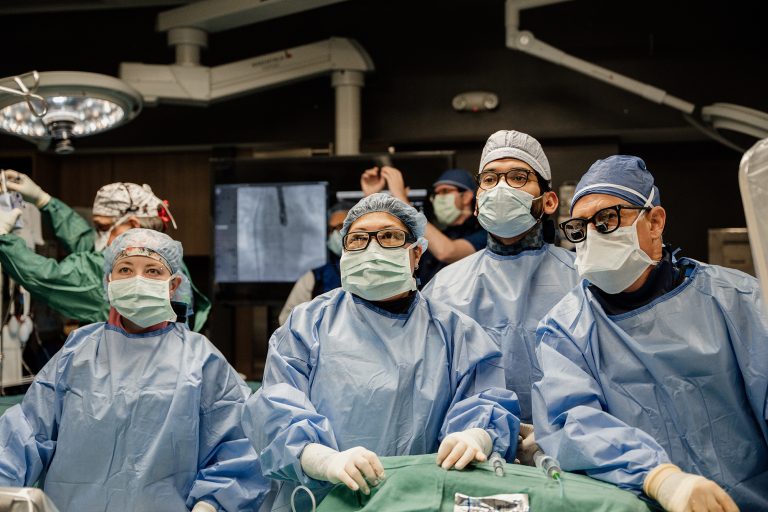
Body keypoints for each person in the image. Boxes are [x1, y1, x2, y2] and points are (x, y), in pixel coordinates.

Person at [243, 193, 520, 511]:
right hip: (323, 500)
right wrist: (322, 459)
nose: (372, 249)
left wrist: (477, 435)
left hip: (419, 500)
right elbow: (276, 411)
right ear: (344, 252)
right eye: (358, 239)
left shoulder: (456, 332)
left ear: (416, 254)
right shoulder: (307, 325)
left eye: (389, 236)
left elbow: (486, 402)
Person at [532, 155, 766, 512]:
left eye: (607, 219)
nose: (591, 235)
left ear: (654, 221)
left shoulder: (737, 301)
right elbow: (574, 425)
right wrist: (659, 477)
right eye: (580, 227)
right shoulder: (566, 329)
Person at [0, 229, 269, 512]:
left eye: (153, 270)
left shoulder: (200, 360)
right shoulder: (79, 352)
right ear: (109, 281)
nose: (137, 280)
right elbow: (24, 435)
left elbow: (238, 447)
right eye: (125, 269)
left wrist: (212, 504)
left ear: (173, 284)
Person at [423, 130, 579, 431]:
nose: (502, 189)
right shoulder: (445, 286)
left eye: (518, 177)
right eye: (490, 180)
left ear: (548, 201)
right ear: (478, 203)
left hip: (571, 444)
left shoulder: (582, 279)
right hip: (472, 446)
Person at [0, 171, 211, 331]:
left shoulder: (120, 274)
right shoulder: (167, 259)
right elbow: (85, 242)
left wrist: (3, 239)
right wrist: (44, 201)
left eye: (102, 228)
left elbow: (48, 276)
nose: (99, 237)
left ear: (133, 224)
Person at [360, 166, 485, 285]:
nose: (439, 198)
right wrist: (371, 198)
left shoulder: (485, 234)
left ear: (466, 197)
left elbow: (447, 252)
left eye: (445, 191)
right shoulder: (436, 234)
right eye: (436, 194)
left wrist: (401, 198)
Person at [278, 201, 352, 325]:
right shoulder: (315, 277)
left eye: (340, 227)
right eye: (331, 229)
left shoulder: (375, 268)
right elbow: (286, 320)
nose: (335, 234)